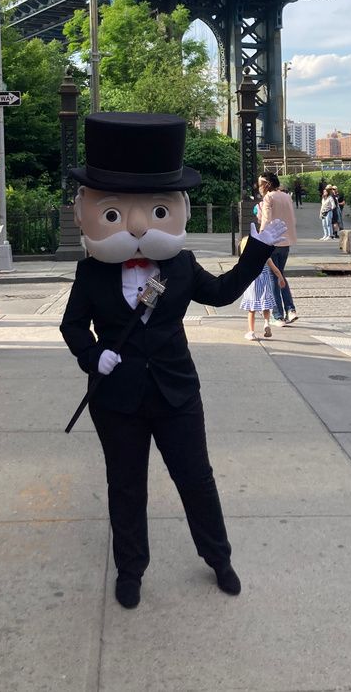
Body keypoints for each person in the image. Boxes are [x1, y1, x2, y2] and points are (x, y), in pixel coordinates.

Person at [60, 113, 287, 610]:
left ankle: (219, 557)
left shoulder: (180, 266)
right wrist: (93, 355)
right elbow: (72, 326)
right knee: (125, 484)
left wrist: (258, 251)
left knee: (196, 478)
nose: (139, 225)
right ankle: (131, 569)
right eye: (118, 213)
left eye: (156, 211)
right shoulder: (91, 274)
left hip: (177, 392)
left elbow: (224, 293)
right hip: (117, 398)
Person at [258, 170, 298, 325]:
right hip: (286, 241)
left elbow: (266, 219)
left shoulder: (269, 197)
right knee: (280, 274)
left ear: (266, 184)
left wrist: (261, 237)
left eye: (260, 184)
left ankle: (277, 315)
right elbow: (291, 218)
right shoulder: (286, 196)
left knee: (273, 278)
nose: (259, 187)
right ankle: (290, 309)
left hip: (272, 242)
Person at [239, 237, 285, 340]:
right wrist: (281, 278)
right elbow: (275, 270)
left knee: (252, 310)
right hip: (265, 283)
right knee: (265, 306)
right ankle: (266, 323)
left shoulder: (246, 258)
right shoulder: (265, 256)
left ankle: (251, 332)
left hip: (252, 283)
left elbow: (241, 272)